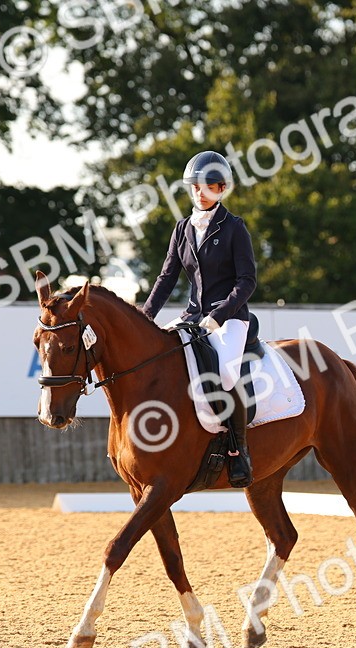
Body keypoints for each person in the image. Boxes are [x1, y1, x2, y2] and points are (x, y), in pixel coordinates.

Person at [141, 150, 258, 488]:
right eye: (195, 186)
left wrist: (220, 315)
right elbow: (166, 278)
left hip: (231, 318)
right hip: (192, 315)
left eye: (208, 186)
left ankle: (239, 451)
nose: (199, 192)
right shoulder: (182, 229)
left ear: (221, 188)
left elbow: (246, 281)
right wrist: (145, 317)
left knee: (224, 372)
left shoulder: (235, 228)